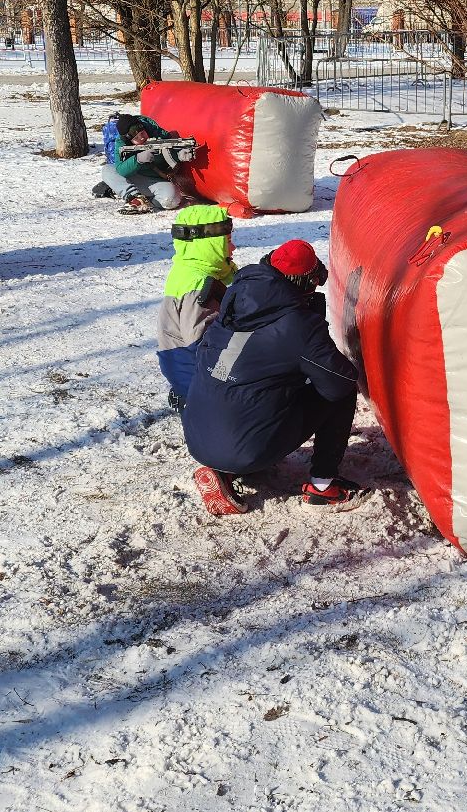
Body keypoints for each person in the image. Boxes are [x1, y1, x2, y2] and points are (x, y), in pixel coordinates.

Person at [183, 240, 363, 516]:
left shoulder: (235, 300)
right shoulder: (295, 323)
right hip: (247, 448)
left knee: (244, 388)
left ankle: (223, 470)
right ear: (304, 284)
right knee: (341, 389)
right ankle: (323, 487)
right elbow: (338, 381)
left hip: (198, 437)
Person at [156, 205, 236, 411]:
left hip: (184, 372)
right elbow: (205, 347)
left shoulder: (186, 271)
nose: (233, 248)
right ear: (209, 246)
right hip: (200, 381)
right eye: (227, 242)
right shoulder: (199, 286)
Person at [93, 113, 196, 214]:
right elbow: (121, 169)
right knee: (107, 170)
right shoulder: (121, 143)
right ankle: (134, 198)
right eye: (136, 138)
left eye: (142, 134)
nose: (142, 138)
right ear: (129, 141)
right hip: (133, 177)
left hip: (155, 180)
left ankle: (146, 203)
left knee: (172, 199)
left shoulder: (158, 134)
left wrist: (179, 155)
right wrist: (137, 159)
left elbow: (171, 149)